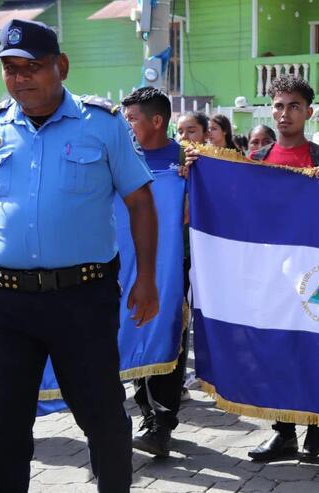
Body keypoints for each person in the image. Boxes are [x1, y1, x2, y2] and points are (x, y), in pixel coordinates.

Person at [0, 20, 158, 492]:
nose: (20, 77)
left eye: (33, 66)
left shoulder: (102, 125)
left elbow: (140, 202)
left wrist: (146, 279)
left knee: (102, 417)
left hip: (81, 301)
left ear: (61, 65)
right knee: (0, 428)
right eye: (10, 68)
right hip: (2, 305)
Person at [245, 75, 319, 462]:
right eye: (279, 106)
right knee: (276, 350)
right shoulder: (256, 160)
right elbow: (245, 209)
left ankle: (316, 422)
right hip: (272, 273)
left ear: (309, 112)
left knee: (316, 348)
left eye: (294, 107)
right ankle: (283, 433)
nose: (285, 114)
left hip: (317, 272)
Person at [121, 86, 191, 458]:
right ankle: (147, 415)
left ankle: (161, 424)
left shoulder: (186, 158)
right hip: (126, 267)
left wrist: (194, 183)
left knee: (167, 336)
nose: (126, 126)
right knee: (134, 332)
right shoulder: (120, 157)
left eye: (132, 119)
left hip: (171, 267)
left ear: (157, 121)